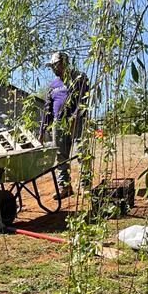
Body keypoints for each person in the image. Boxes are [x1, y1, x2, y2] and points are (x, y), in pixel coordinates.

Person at [38, 51, 90, 197]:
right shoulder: (53, 85)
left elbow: (84, 99)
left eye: (54, 65)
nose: (53, 69)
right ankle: (65, 187)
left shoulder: (79, 77)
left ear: (63, 63)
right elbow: (47, 108)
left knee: (81, 152)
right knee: (61, 156)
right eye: (51, 67)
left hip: (78, 120)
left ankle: (85, 185)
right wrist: (42, 131)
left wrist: (75, 116)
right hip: (58, 123)